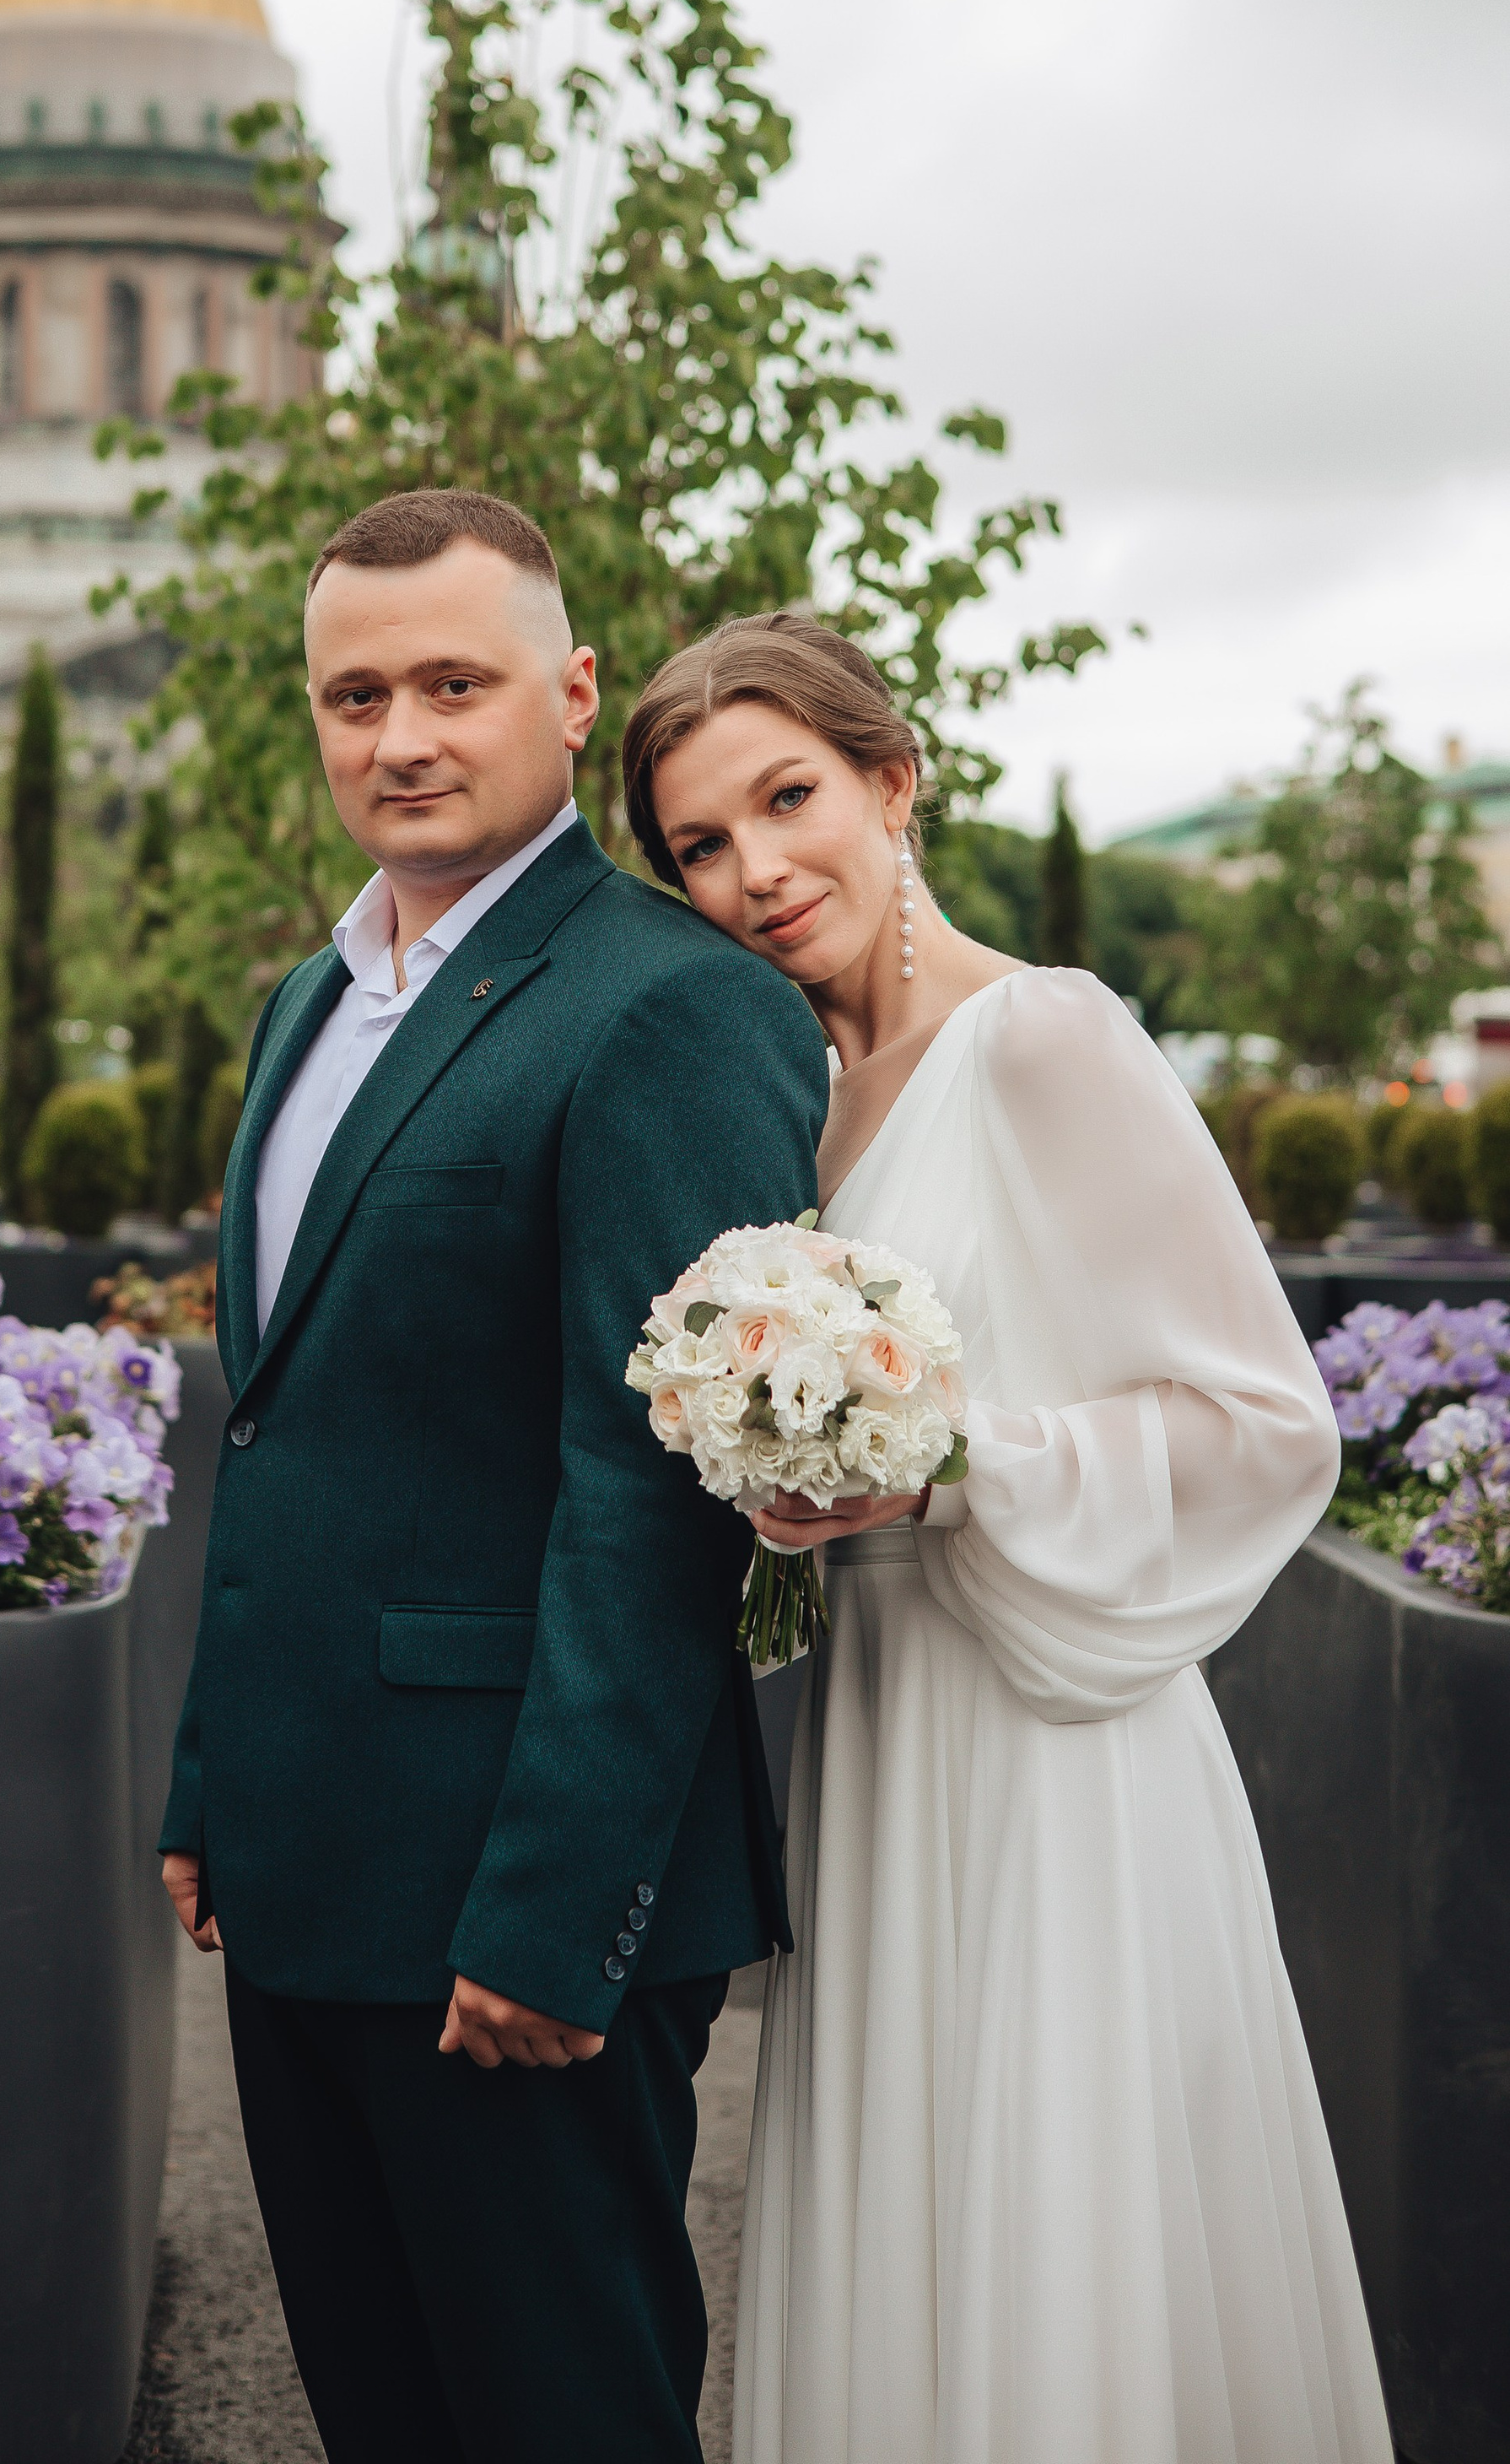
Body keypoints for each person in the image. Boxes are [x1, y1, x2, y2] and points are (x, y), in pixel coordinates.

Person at [621, 611, 1393, 2464]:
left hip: (1053, 1743)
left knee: (1057, 2234)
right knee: (915, 2230)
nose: (753, 870)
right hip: (877, 1728)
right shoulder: (798, 1107)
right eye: (701, 846)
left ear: (893, 783)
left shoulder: (1044, 1035)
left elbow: (1263, 1422)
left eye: (786, 799)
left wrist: (948, 1465)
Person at [159, 489, 830, 2464]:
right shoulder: (309, 1001)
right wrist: (208, 1781)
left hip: (507, 1905)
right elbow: (288, 1431)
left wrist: (552, 1920)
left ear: (571, 690)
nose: (399, 738)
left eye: (453, 684)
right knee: (382, 2417)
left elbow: (652, 1495)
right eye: (352, 695)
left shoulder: (671, 1003)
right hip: (302, 1864)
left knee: (560, 2422)